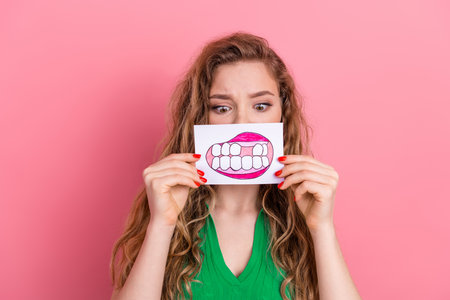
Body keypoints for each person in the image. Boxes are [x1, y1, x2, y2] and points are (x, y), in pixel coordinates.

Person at [109, 31, 362, 300]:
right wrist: (162, 223)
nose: (243, 122)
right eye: (222, 108)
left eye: (261, 106)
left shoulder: (304, 220)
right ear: (200, 118)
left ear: (282, 114)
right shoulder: (170, 216)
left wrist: (322, 228)